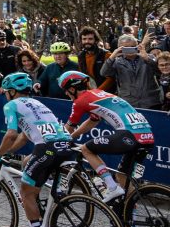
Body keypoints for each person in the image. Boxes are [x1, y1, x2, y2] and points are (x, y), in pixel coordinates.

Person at [0, 72, 77, 227]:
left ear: (12, 91)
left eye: (7, 91)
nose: (6, 94)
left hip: (48, 149)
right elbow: (23, 137)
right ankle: (44, 210)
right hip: (66, 145)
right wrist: (10, 151)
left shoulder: (11, 105)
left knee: (26, 192)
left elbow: (11, 134)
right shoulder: (37, 103)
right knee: (27, 163)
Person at [59, 70, 153, 202]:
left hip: (130, 135)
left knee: (86, 149)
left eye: (66, 90)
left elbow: (68, 127)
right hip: (147, 136)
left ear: (72, 88)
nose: (66, 94)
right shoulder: (98, 94)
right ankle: (130, 215)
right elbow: (93, 121)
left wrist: (56, 140)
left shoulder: (80, 101)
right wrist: (72, 137)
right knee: (122, 176)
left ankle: (111, 187)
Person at [99, 33, 162, 109]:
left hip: (151, 101)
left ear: (137, 46)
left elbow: (160, 72)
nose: (130, 49)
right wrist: (112, 57)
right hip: (129, 103)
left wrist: (147, 59)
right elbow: (103, 73)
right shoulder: (116, 62)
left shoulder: (148, 57)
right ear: (120, 48)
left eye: (132, 46)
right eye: (126, 47)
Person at [77, 26, 114, 92]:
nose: (87, 41)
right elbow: (81, 75)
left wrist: (98, 91)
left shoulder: (106, 54)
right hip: (89, 92)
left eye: (90, 39)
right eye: (84, 39)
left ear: (96, 40)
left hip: (106, 93)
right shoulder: (81, 56)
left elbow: (111, 78)